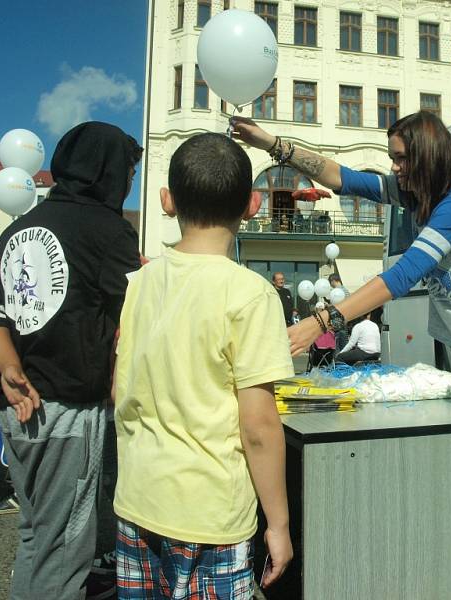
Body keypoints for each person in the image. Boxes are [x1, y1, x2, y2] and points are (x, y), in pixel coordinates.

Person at [231, 111, 451, 400]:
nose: (394, 168)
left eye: (401, 158)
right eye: (392, 158)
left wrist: (321, 323)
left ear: (428, 157)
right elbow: (341, 178)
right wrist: (272, 144)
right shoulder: (413, 195)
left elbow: (400, 277)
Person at [0, 121, 143, 600]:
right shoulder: (109, 230)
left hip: (15, 403)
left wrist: (8, 366)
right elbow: (137, 313)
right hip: (67, 409)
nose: (130, 181)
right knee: (64, 548)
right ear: (106, 171)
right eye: (128, 170)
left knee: (35, 534)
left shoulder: (20, 227)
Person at [113, 132, 293, 597]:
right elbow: (258, 427)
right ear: (252, 205)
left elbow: (118, 389)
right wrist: (279, 523)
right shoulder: (252, 294)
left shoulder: (138, 283)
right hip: (211, 514)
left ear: (167, 201)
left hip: (138, 500)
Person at [328, 273, 349, 351]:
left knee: (337, 346)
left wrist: (329, 306)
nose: (330, 285)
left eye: (330, 282)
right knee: (343, 346)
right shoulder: (345, 290)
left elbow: (337, 306)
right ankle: (343, 362)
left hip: (338, 321)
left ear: (333, 281)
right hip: (344, 321)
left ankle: (337, 362)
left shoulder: (337, 292)